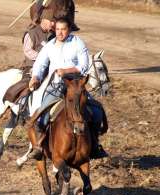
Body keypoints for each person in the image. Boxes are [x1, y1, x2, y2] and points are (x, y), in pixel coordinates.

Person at [28, 17, 108, 160]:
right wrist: (35, 77)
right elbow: (40, 64)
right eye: (57, 29)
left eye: (63, 29)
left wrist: (66, 71)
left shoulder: (78, 43)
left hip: (76, 86)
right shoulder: (50, 45)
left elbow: (83, 66)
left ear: (69, 30)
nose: (60, 33)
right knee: (42, 116)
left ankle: (95, 146)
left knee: (96, 113)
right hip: (56, 86)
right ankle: (39, 146)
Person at [2, 11, 55, 104]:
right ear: (44, 20)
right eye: (51, 21)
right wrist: (43, 57)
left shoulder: (53, 35)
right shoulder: (31, 33)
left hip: (49, 68)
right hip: (31, 67)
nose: (53, 24)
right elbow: (28, 51)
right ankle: (13, 102)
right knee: (28, 84)